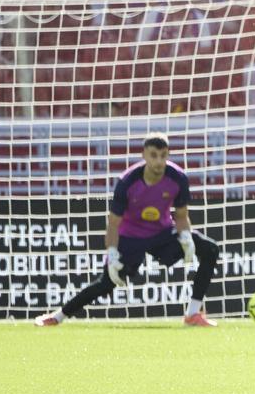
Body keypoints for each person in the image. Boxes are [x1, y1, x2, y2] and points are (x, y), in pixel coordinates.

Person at [34, 133, 222, 326]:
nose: (159, 161)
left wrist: (186, 236)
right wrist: (112, 252)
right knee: (106, 284)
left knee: (210, 249)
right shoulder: (127, 182)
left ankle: (192, 314)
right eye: (154, 155)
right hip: (131, 237)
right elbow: (114, 223)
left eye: (163, 155)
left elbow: (181, 216)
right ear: (144, 155)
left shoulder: (178, 177)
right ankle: (57, 317)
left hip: (162, 233)